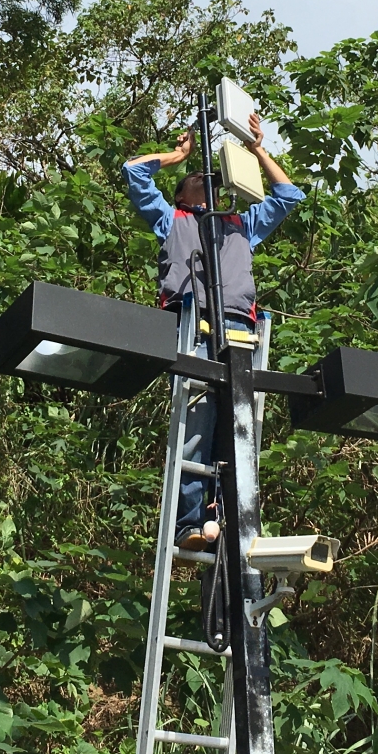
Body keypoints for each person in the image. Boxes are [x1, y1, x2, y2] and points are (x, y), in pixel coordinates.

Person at [124, 112, 304, 551]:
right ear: (180, 193)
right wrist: (179, 155)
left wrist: (257, 150)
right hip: (193, 324)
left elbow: (288, 195)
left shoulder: (241, 224)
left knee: (238, 428)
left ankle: (224, 517)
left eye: (213, 182)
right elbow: (134, 171)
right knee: (198, 422)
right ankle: (188, 522)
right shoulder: (171, 219)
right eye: (196, 179)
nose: (207, 184)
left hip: (240, 328)